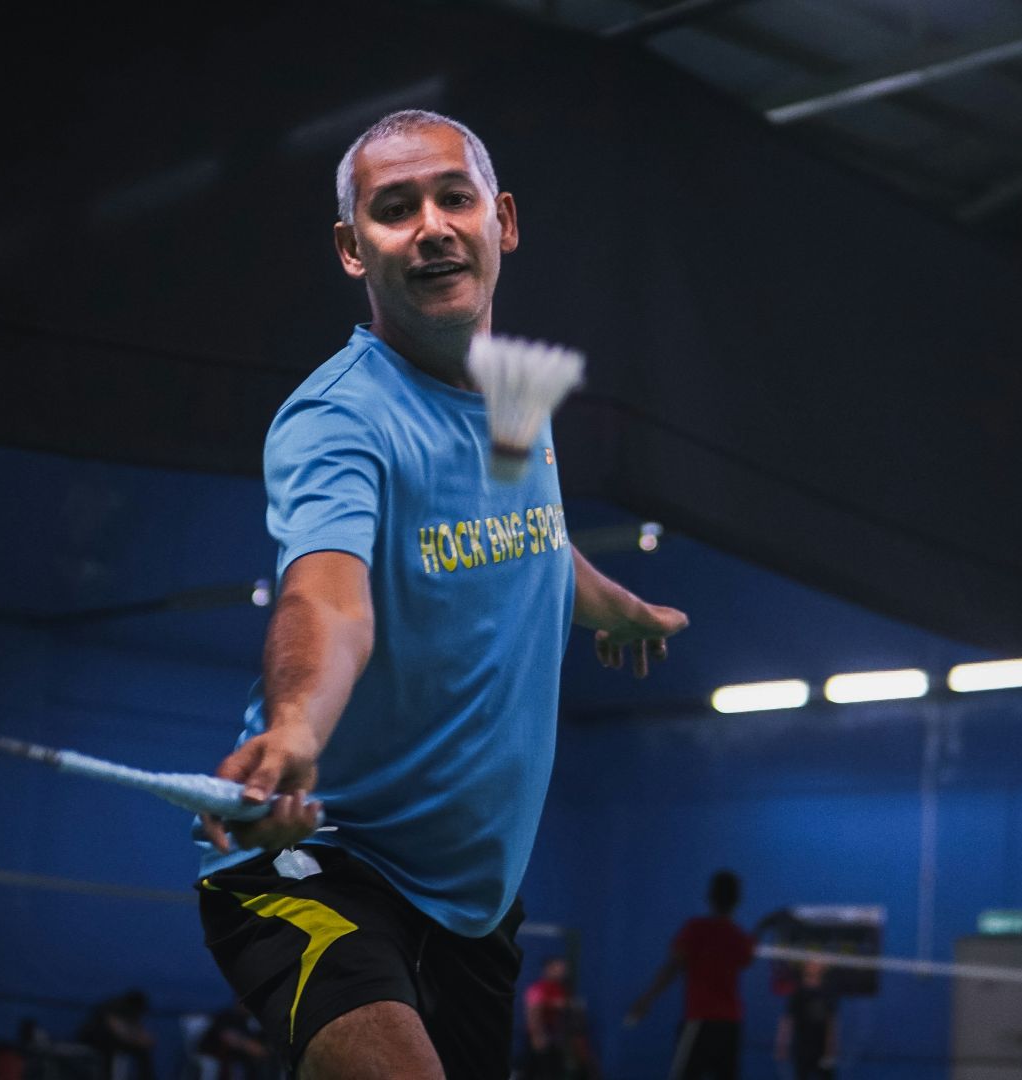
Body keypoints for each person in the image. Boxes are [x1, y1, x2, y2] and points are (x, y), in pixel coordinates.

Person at [193, 108, 688, 1080]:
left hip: (473, 906)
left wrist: (608, 605)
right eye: (393, 208)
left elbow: (519, 539)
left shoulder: (516, 389)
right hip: (320, 861)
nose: (431, 226)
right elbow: (329, 599)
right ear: (351, 249)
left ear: (501, 220)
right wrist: (295, 729)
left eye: (453, 197)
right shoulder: (339, 420)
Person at [624, 871, 757, 1080]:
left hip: (700, 1023)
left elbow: (673, 966)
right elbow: (748, 959)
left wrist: (646, 999)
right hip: (730, 1027)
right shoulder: (739, 937)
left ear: (709, 897)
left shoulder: (696, 929)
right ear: (738, 900)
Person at [777, 960, 838, 1080]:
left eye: (817, 962)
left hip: (821, 1049)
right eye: (811, 961)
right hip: (802, 1049)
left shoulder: (828, 992)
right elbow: (788, 1020)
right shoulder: (797, 992)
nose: (814, 964)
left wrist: (830, 1049)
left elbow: (831, 1023)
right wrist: (781, 1044)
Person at [77, 990, 154, 1080]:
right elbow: (118, 1030)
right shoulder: (114, 1006)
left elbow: (139, 1032)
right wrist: (137, 1039)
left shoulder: (133, 1013)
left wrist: (143, 1039)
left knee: (143, 1052)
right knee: (108, 1054)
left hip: (113, 1041)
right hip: (94, 1040)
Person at [522, 956, 572, 1080]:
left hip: (553, 1036)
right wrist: (537, 1035)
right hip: (539, 1035)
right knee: (533, 1070)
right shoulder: (539, 988)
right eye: (557, 967)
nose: (562, 970)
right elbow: (533, 1012)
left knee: (553, 1070)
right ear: (548, 969)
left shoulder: (560, 989)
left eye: (563, 968)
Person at [196, 1002, 272, 1080]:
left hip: (235, 1060)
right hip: (211, 1055)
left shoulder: (253, 1022)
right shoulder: (226, 1016)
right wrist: (247, 1045)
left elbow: (262, 1050)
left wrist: (257, 1049)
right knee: (211, 1065)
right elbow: (227, 1037)